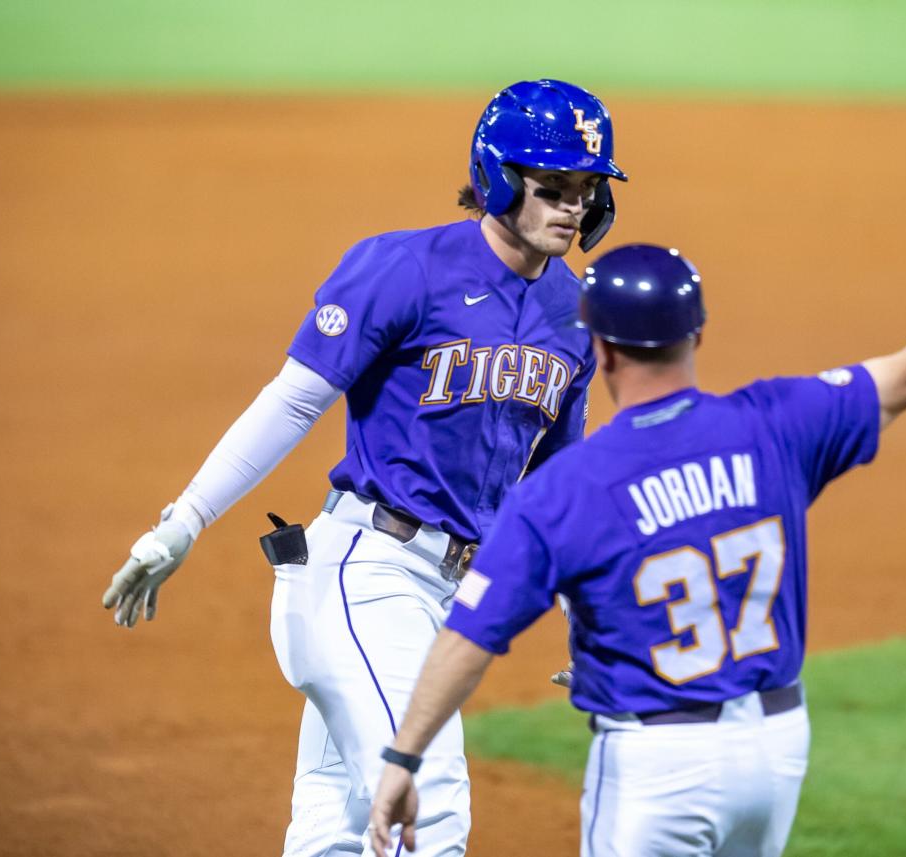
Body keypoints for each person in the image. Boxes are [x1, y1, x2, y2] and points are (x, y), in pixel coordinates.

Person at [366, 192, 906, 856]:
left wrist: (403, 758)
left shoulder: (570, 486)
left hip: (656, 766)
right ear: (696, 333)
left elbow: (470, 634)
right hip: (774, 750)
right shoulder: (778, 423)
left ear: (598, 347)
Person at [101, 79, 628, 857]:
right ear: (499, 178)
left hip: (449, 598)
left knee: (338, 829)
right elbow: (292, 401)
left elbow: (556, 488)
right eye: (553, 188)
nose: (572, 208)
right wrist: (182, 520)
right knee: (430, 798)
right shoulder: (405, 267)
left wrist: (591, 623)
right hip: (364, 573)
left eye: (586, 191)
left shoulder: (575, 314)